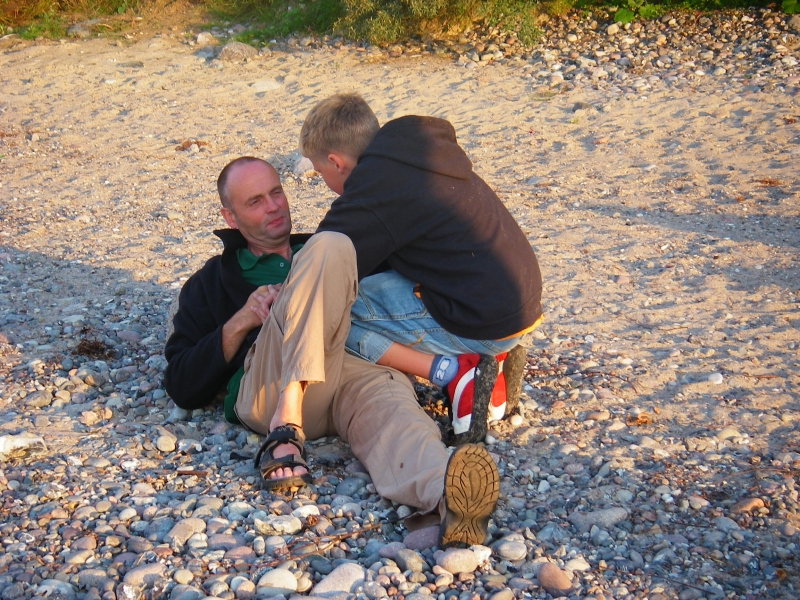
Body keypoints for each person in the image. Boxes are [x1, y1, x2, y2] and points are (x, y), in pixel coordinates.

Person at [163, 156, 499, 548]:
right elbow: (181, 383)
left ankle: (446, 495)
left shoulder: (319, 252)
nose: (273, 206)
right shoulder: (211, 282)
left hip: (348, 372)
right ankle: (286, 420)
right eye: (255, 201)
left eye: (276, 192)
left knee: (397, 414)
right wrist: (241, 320)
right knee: (333, 243)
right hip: (271, 387)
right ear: (230, 217)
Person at [300, 93, 543, 444]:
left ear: (336, 162)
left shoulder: (373, 189)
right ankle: (496, 364)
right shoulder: (417, 155)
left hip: (484, 322)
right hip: (517, 306)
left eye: (320, 171)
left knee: (335, 312)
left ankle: (455, 372)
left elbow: (322, 264)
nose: (323, 179)